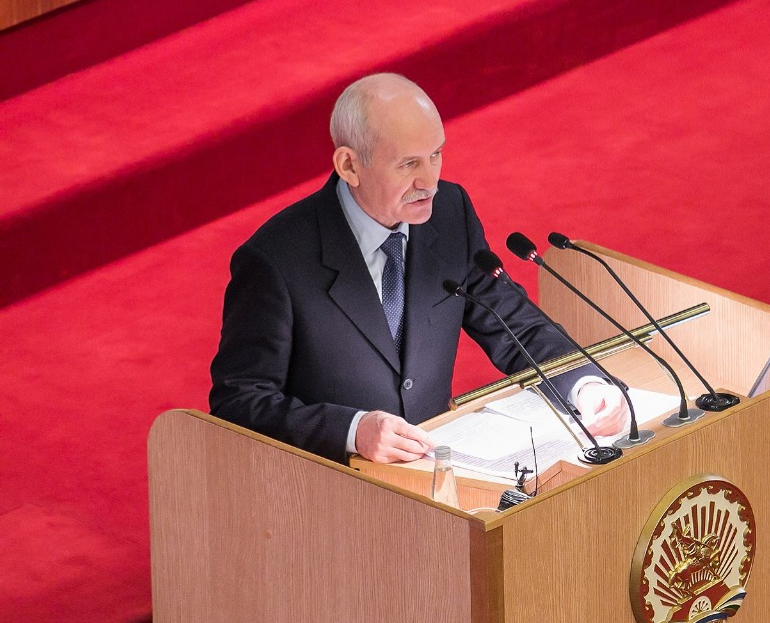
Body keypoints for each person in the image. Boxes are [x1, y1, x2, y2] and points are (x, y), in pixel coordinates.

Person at [210, 73, 625, 463]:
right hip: (331, 485)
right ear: (349, 165)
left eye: (436, 155)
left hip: (434, 478)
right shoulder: (276, 259)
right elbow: (239, 401)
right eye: (408, 164)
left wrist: (584, 385)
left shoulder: (450, 212)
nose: (430, 181)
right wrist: (352, 431)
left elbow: (516, 327)